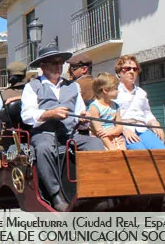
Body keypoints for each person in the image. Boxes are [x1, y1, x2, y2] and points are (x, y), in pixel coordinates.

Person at [21, 45, 104, 211]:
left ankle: (95, 189)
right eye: (54, 62)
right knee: (44, 147)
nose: (59, 66)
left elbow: (80, 113)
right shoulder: (32, 87)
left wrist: (83, 119)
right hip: (43, 132)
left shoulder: (73, 86)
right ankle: (55, 194)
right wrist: (50, 113)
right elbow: (27, 115)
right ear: (43, 66)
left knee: (95, 144)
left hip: (69, 133)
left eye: (60, 62)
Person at [114, 54, 165, 150]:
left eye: (135, 69)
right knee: (140, 152)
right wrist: (124, 130)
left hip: (142, 129)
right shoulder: (114, 92)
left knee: (161, 150)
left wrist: (154, 123)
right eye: (127, 68)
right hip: (124, 131)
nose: (131, 72)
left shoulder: (141, 93)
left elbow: (146, 113)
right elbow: (110, 116)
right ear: (119, 72)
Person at [87, 73, 125, 151]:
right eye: (115, 88)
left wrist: (110, 132)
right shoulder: (94, 107)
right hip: (100, 140)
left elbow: (120, 127)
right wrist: (111, 147)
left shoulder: (116, 106)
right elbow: (99, 131)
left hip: (114, 136)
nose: (118, 91)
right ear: (105, 90)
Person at [0, 61, 28, 131]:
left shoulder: (1, 97)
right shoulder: (33, 92)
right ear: (24, 75)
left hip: (9, 138)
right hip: (32, 137)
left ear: (9, 76)